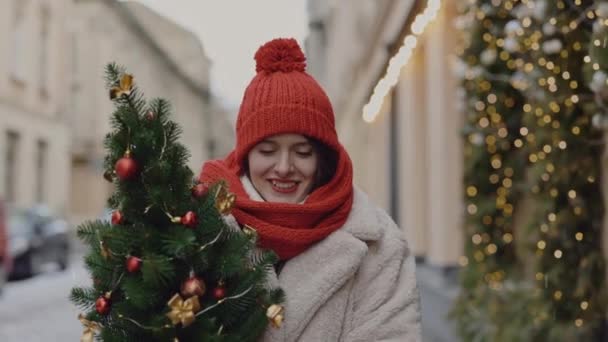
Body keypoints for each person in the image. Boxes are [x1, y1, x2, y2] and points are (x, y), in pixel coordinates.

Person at [200, 38, 421, 342]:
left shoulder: (379, 243)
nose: (284, 167)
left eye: (302, 152)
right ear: (246, 155)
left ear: (322, 159)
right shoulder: (203, 230)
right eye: (267, 150)